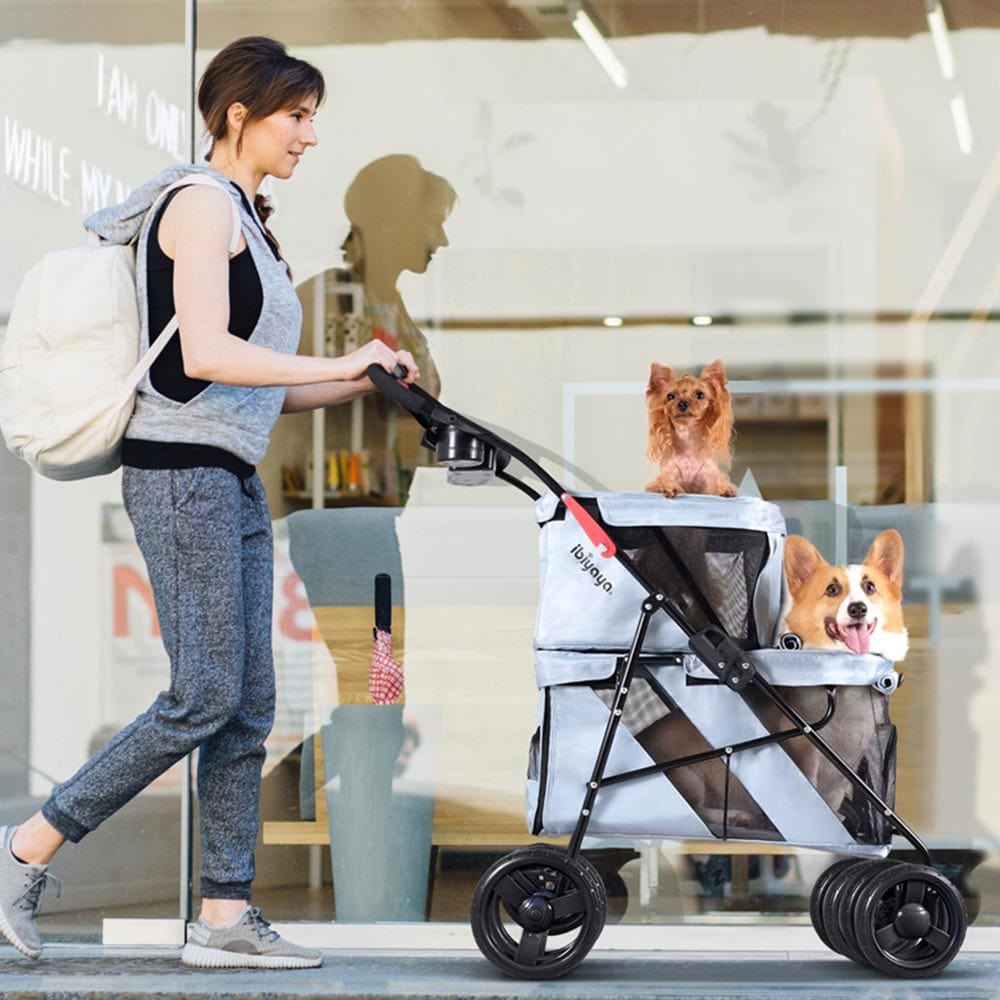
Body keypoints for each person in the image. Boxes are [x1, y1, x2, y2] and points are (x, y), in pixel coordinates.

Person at [0, 36, 417, 969]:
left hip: (228, 475)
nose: (309, 136)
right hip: (178, 472)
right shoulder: (197, 205)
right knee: (203, 695)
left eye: (312, 118)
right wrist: (341, 359)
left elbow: (257, 386)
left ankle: (224, 919)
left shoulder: (252, 220)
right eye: (296, 116)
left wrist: (363, 378)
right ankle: (25, 850)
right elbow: (203, 358)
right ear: (240, 114)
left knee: (248, 704)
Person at [329, 155, 456, 501]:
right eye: (435, 222)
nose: (442, 239)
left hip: (381, 503)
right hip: (349, 509)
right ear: (397, 222)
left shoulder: (387, 302)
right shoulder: (342, 299)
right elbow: (349, 414)